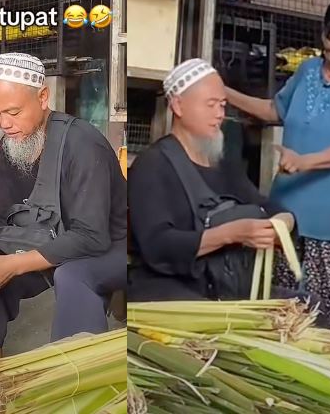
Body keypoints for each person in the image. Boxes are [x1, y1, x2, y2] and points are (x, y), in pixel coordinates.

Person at [224, 0, 330, 330]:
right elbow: (275, 111)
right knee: (283, 306)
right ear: (322, 35)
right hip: (288, 208)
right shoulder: (308, 70)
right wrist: (224, 92)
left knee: (327, 309)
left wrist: (304, 160)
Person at [0, 53, 127, 360]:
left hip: (111, 246)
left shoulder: (82, 144)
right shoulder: (9, 145)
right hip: (50, 237)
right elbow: (0, 214)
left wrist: (13, 265)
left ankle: (77, 371)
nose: (5, 124)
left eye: (13, 112)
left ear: (42, 97)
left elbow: (92, 236)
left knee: (72, 274)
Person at [128, 58, 306, 305]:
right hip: (170, 291)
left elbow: (269, 206)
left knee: (308, 306)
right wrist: (230, 234)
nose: (220, 114)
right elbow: (158, 245)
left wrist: (282, 223)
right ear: (178, 106)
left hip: (225, 287)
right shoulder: (152, 166)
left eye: (222, 105)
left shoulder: (224, 166)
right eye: (211, 105)